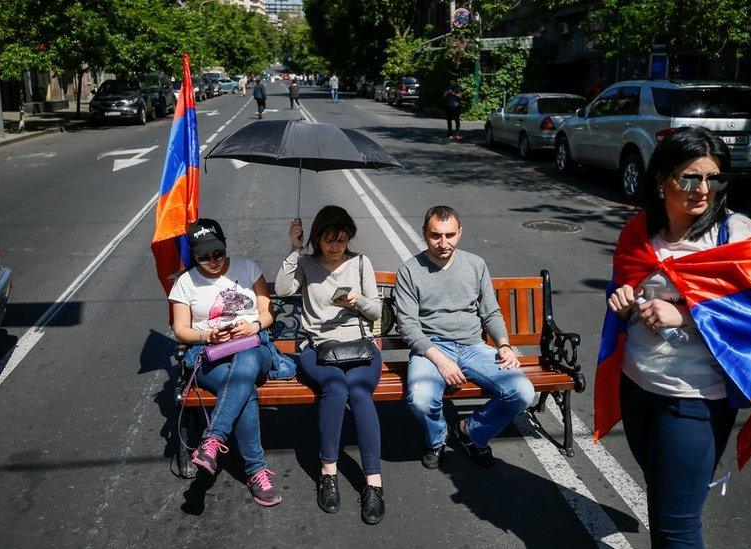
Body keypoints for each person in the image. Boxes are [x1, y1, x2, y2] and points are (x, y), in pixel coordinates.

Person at [596, 127, 751, 547]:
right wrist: (620, 298)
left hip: (694, 399)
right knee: (660, 497)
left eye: (714, 178)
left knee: (676, 528)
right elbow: (626, 282)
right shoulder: (639, 231)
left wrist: (687, 315)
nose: (704, 189)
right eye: (690, 177)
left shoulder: (737, 235)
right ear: (661, 181)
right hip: (637, 387)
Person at [396, 205, 536, 470]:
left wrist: (504, 344)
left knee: (522, 392)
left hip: (472, 346)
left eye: (450, 235)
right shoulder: (409, 270)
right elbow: (409, 326)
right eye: (436, 235)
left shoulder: (475, 264)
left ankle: (471, 431)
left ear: (460, 233)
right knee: (421, 397)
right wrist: (440, 360)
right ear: (424, 233)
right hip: (431, 348)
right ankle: (437, 439)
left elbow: (490, 312)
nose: (443, 243)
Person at [275, 206, 386, 525]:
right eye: (327, 240)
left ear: (349, 237)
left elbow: (376, 312)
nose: (335, 246)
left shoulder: (361, 262)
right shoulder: (307, 264)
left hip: (361, 345)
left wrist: (358, 302)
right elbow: (283, 290)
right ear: (317, 238)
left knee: (360, 391)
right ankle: (328, 473)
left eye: (341, 239)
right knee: (336, 388)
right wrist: (294, 249)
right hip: (318, 347)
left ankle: (373, 484)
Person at [169, 218, 282, 507]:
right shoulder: (185, 282)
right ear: (193, 256)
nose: (213, 261)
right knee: (244, 389)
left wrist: (253, 326)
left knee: (245, 362)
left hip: (255, 346)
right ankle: (256, 472)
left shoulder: (247, 268)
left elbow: (268, 313)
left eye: (218, 253)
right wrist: (207, 334)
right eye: (203, 257)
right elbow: (181, 329)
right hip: (210, 354)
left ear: (225, 247)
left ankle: (212, 439)